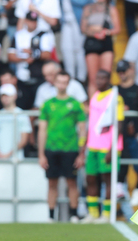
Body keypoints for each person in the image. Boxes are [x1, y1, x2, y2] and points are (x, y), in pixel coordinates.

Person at [38, 71, 86, 223]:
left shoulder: (76, 104)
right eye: (59, 81)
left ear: (68, 84)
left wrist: (81, 154)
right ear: (55, 83)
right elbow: (42, 130)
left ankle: (73, 214)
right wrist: (41, 154)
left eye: (65, 82)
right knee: (52, 183)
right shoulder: (47, 104)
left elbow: (83, 130)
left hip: (70, 149)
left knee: (71, 182)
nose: (61, 85)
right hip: (51, 148)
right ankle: (51, 216)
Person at [81, 69, 125, 224]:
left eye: (103, 78)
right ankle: (93, 213)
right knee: (90, 178)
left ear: (108, 79)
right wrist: (84, 145)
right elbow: (91, 122)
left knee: (108, 180)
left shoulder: (116, 97)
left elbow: (119, 123)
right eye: (97, 78)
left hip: (107, 146)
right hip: (93, 145)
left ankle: (106, 215)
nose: (99, 81)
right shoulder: (95, 96)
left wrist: (112, 148)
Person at [8, 11, 55, 110]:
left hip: (38, 77)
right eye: (30, 21)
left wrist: (33, 53)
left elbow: (47, 54)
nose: (32, 24)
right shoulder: (18, 35)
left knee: (38, 107)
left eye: (34, 21)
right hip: (22, 77)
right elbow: (10, 56)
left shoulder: (43, 35)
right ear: (25, 21)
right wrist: (24, 58)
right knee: (22, 106)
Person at [115, 59, 138, 206]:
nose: (122, 74)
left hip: (136, 135)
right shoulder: (114, 90)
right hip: (120, 135)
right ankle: (119, 187)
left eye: (124, 71)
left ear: (131, 70)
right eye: (119, 72)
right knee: (122, 163)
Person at [81, 0, 120, 97]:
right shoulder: (88, 9)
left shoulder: (111, 9)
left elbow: (117, 29)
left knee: (105, 77)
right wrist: (94, 32)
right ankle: (93, 105)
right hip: (91, 44)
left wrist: (105, 32)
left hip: (105, 43)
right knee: (93, 79)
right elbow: (83, 29)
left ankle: (106, 103)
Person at [0, 84, 31, 160]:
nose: (5, 98)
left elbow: (24, 139)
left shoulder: (22, 115)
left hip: (17, 158)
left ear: (15, 96)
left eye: (8, 95)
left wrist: (9, 154)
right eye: (3, 96)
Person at [60, 0, 93, 83]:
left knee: (79, 50)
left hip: (78, 21)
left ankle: (81, 78)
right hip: (66, 22)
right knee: (66, 49)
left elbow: (86, 2)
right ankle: (70, 77)